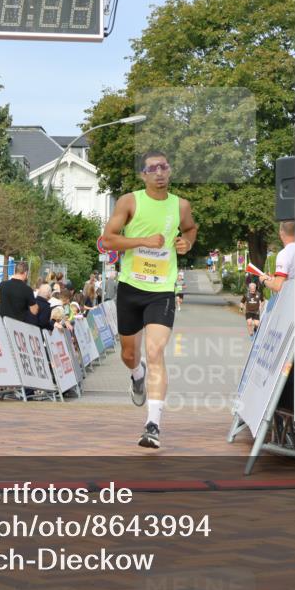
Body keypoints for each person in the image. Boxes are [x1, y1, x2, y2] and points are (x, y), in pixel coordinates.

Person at [102, 150, 198, 449]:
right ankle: (136, 373)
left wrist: (186, 243)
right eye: (152, 168)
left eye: (164, 167)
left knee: (156, 351)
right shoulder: (130, 201)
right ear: (143, 174)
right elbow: (108, 239)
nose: (159, 172)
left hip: (162, 289)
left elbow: (190, 229)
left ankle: (153, 424)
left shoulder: (180, 205)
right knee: (131, 354)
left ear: (170, 171)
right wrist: (141, 241)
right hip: (131, 286)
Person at [260, 221, 295, 293]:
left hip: (291, 298)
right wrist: (274, 279)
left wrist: (264, 280)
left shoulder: (284, 254)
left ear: (281, 233)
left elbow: (278, 286)